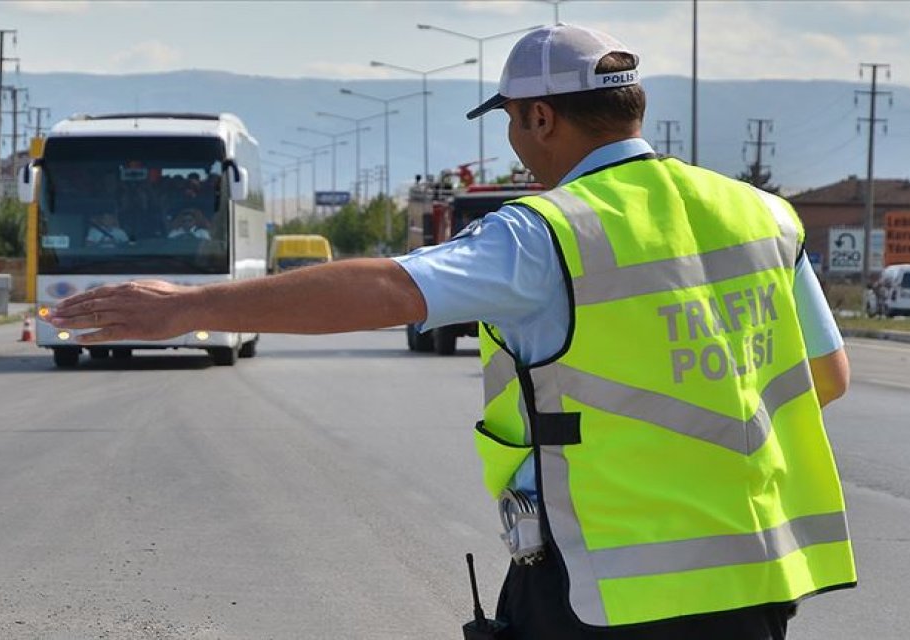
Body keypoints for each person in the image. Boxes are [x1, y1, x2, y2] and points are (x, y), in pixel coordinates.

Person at [50, 24, 854, 639]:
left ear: (541, 116)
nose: (511, 138)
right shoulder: (761, 215)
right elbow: (826, 377)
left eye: (510, 120)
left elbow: (388, 289)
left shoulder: (547, 232)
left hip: (606, 589)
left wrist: (190, 307)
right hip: (758, 579)